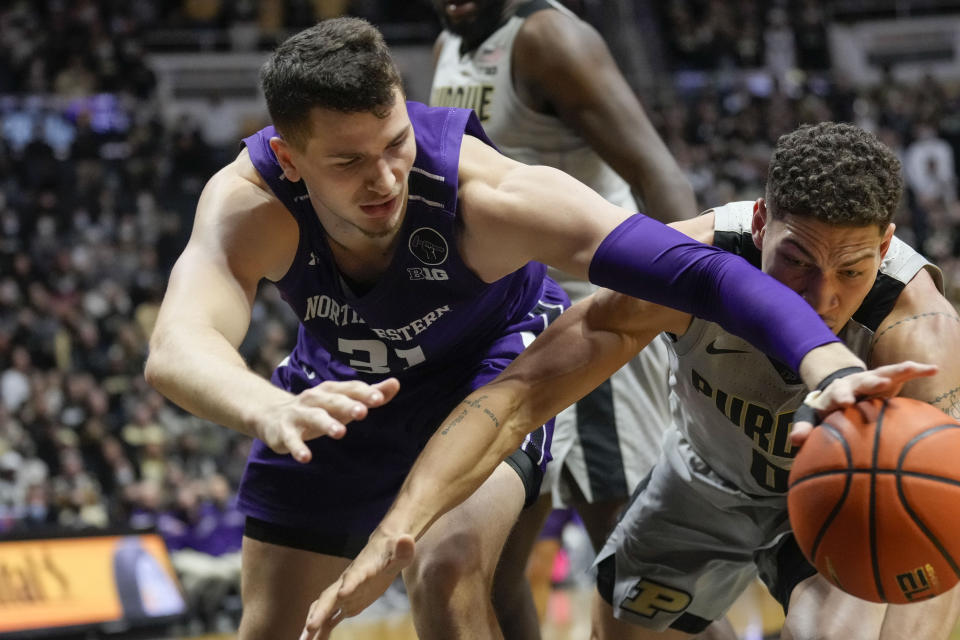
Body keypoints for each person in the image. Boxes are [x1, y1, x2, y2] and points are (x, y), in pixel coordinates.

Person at [145, 18, 890, 640]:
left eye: (396, 144)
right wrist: (266, 408)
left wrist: (826, 362)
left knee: (445, 568)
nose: (384, 180)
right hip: (338, 385)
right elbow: (177, 345)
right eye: (348, 162)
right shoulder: (249, 204)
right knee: (274, 627)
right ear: (289, 158)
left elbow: (702, 271)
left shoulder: (486, 195)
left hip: (491, 367)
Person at [301, 122, 960, 640]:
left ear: (888, 243)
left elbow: (943, 525)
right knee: (617, 630)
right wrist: (396, 531)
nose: (822, 297)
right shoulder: (688, 267)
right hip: (707, 483)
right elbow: (516, 398)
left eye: (852, 269)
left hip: (844, 504)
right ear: (760, 223)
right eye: (795, 261)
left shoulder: (920, 331)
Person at [428, 1, 704, 635]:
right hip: (503, 331)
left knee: (633, 568)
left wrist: (686, 310)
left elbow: (658, 173)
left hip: (588, 319)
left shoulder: (549, 38)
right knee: (486, 568)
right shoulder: (452, 41)